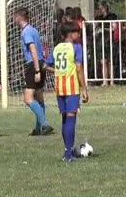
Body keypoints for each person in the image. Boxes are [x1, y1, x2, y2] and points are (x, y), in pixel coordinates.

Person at [52, 23, 89, 162]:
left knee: (64, 119)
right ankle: (69, 154)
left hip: (59, 88)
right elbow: (79, 68)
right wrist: (84, 88)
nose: (79, 35)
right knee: (71, 117)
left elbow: (47, 65)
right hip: (71, 87)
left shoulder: (57, 48)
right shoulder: (76, 48)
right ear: (71, 34)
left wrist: (59, 71)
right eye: (77, 32)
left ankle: (67, 151)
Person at [13, 9, 53, 136]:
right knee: (38, 97)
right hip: (41, 63)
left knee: (27, 98)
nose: (13, 20)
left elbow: (33, 49)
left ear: (19, 17)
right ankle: (39, 128)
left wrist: (36, 70)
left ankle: (45, 123)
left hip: (33, 64)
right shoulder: (34, 30)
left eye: (14, 17)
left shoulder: (26, 32)